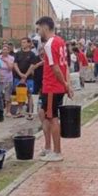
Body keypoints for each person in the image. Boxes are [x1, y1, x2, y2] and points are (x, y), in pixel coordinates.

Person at [36, 16, 73, 162]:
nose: (38, 32)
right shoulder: (60, 41)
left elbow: (56, 68)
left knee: (52, 118)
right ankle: (47, 147)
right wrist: (67, 84)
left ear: (45, 27)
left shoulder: (49, 44)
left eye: (39, 29)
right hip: (52, 86)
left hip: (52, 86)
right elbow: (65, 66)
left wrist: (65, 84)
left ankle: (57, 152)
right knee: (44, 114)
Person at [13, 37, 39, 120]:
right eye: (22, 42)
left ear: (28, 43)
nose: (22, 44)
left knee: (29, 94)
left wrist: (25, 76)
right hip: (18, 77)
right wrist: (20, 74)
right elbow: (15, 64)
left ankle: (30, 112)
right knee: (19, 93)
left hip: (29, 78)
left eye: (24, 42)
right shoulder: (18, 53)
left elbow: (32, 66)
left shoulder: (32, 54)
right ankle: (20, 111)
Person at [0, 44, 15, 117]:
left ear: (8, 50)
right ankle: (0, 111)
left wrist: (6, 61)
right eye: (3, 49)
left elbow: (11, 68)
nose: (4, 51)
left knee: (7, 96)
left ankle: (8, 111)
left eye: (6, 49)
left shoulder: (11, 58)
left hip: (8, 79)